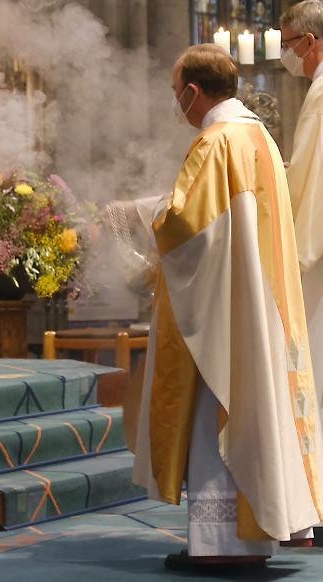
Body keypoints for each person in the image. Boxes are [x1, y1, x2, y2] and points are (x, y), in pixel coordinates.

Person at [130, 43, 323, 570]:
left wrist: (140, 221)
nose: (177, 104)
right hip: (260, 304)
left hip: (224, 312)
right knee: (253, 407)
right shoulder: (258, 133)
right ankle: (250, 536)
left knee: (216, 415)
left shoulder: (214, 142)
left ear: (193, 91)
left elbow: (186, 227)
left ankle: (221, 548)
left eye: (177, 94)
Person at [281, 0, 323, 424]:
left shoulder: (321, 92)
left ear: (310, 41)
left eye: (288, 44)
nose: (285, 55)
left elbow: (313, 179)